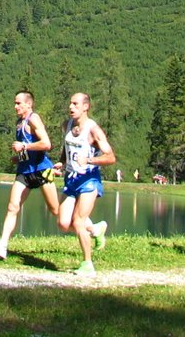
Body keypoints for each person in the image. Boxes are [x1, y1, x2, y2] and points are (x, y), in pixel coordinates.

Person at [0, 91, 61, 260]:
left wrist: (24, 147)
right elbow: (26, 148)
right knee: (13, 207)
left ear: (28, 104)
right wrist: (18, 158)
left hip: (41, 170)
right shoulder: (19, 123)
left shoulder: (34, 119)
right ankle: (2, 245)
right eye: (15, 103)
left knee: (56, 210)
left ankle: (91, 229)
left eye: (18, 103)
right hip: (24, 171)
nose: (15, 106)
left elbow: (46, 144)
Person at [54, 92, 115, 276]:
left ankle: (88, 264)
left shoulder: (93, 130)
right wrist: (62, 162)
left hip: (89, 180)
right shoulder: (67, 125)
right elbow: (67, 147)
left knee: (79, 221)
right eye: (70, 103)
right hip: (71, 179)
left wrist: (89, 160)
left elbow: (110, 157)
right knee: (63, 223)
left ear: (85, 107)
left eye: (75, 104)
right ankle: (96, 229)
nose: (71, 107)